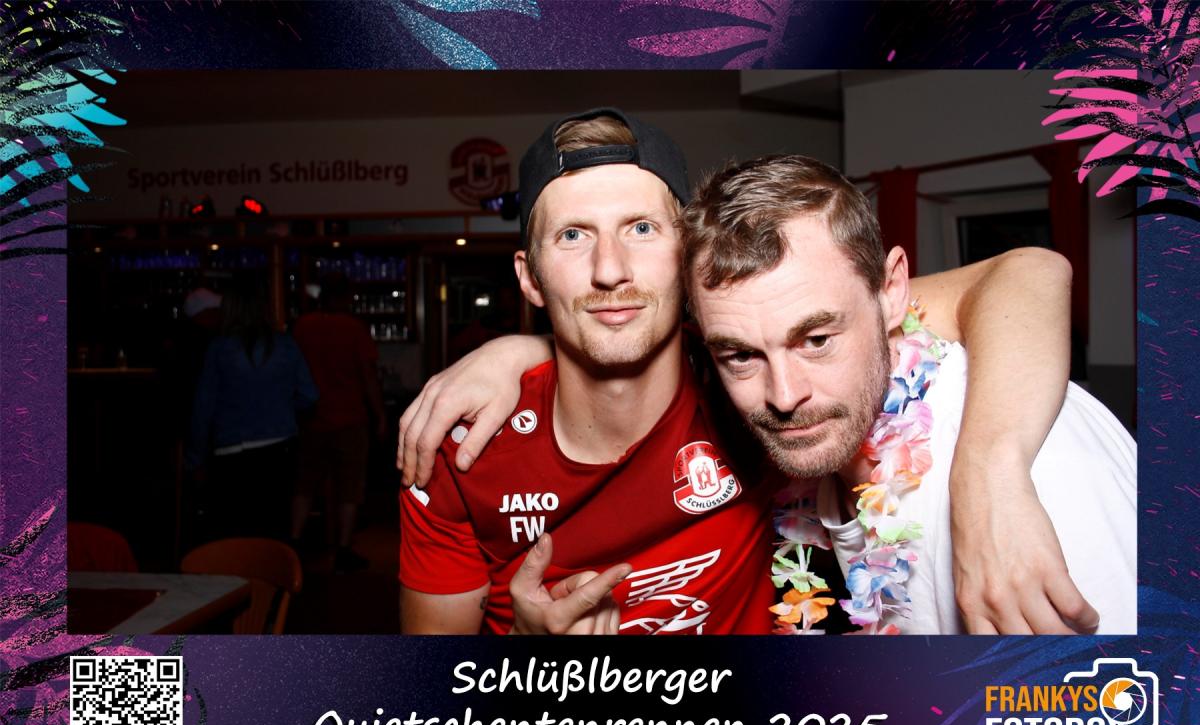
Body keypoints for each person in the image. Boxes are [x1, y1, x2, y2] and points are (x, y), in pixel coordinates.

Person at [397, 108, 1089, 635]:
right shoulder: (460, 444)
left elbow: (1025, 273)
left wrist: (990, 474)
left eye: (642, 228)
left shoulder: (755, 377)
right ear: (530, 277)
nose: (610, 269)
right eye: (573, 236)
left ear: (688, 258)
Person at [677, 154, 1135, 634]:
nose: (785, 396)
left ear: (892, 291)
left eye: (817, 340)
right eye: (741, 356)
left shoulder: (1042, 474)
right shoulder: (831, 464)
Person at [187, 279, 317, 543]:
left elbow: (203, 407)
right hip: (278, 447)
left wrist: (195, 459)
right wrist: (279, 407)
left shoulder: (219, 348)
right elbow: (309, 395)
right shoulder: (285, 345)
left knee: (233, 533)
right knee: (272, 531)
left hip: (231, 450)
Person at [291, 271, 387, 572]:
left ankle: (294, 543)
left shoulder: (303, 327)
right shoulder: (354, 329)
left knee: (304, 484)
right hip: (349, 418)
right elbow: (368, 377)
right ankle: (343, 548)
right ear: (345, 297)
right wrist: (380, 415)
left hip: (311, 419)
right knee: (350, 486)